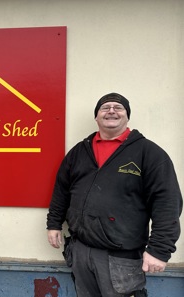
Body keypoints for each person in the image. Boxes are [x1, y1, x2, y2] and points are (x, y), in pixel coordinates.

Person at [46, 93, 182, 297]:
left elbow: (167, 202)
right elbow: (62, 190)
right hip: (81, 249)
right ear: (96, 117)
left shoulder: (149, 153)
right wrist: (54, 223)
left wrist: (159, 250)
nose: (111, 111)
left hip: (120, 256)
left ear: (127, 116)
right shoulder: (80, 151)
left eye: (118, 107)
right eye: (105, 107)